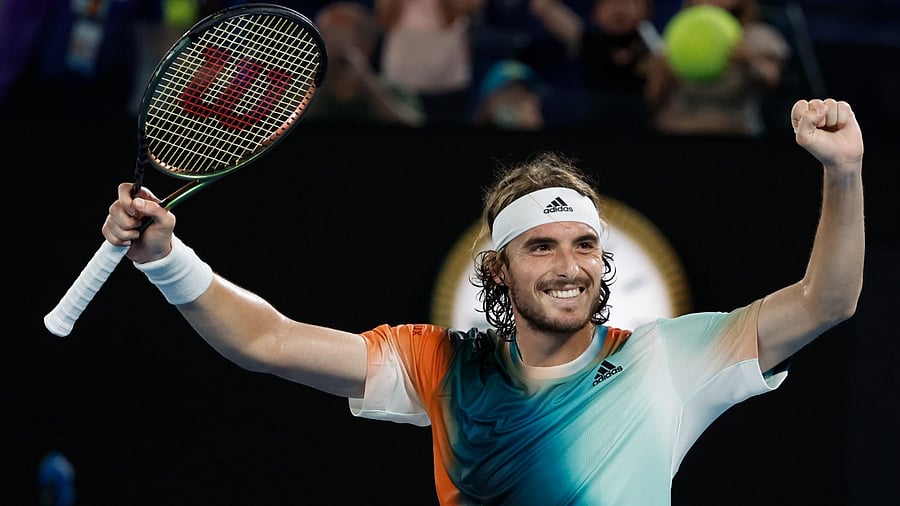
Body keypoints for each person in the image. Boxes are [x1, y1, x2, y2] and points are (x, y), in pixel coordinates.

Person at [101, 98, 864, 504]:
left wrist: (843, 174)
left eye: (585, 245)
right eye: (542, 246)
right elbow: (267, 342)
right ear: (499, 272)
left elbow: (825, 301)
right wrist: (167, 258)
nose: (570, 267)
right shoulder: (442, 365)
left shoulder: (665, 360)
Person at [644, 0, 791, 136]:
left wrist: (751, 63)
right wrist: (666, 69)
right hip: (677, 133)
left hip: (737, 135)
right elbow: (654, 97)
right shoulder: (676, 35)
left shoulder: (758, 36)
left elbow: (772, 82)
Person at [301, 1, 427, 127]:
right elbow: (285, 125)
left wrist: (365, 81)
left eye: (345, 36)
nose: (336, 46)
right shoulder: (301, 88)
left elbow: (415, 127)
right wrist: (320, 80)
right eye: (328, 37)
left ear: (368, 45)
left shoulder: (395, 88)